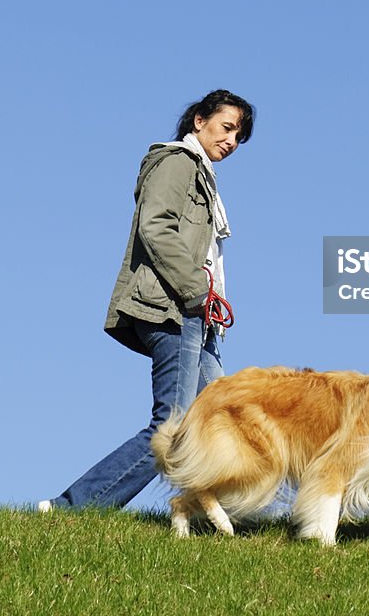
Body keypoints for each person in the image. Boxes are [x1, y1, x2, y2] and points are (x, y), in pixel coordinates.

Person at [39, 88, 255, 511]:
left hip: (199, 318)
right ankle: (74, 506)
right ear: (199, 121)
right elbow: (156, 227)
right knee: (172, 427)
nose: (230, 141)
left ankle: (244, 515)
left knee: (222, 420)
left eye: (237, 137)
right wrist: (196, 291)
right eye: (227, 128)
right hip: (175, 310)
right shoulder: (176, 163)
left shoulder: (205, 179)